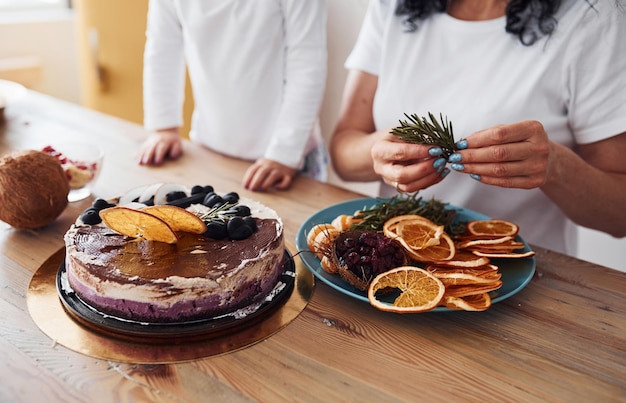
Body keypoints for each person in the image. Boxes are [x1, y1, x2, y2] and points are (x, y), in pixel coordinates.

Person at [330, 0, 626, 255]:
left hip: (524, 278)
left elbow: (619, 216)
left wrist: (555, 167)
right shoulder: (393, 6)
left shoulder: (592, 19)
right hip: (397, 259)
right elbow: (343, 151)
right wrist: (380, 153)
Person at [138, 0, 328, 192]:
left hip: (289, 160)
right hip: (211, 149)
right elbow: (162, 50)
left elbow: (307, 66)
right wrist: (164, 126)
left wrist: (284, 155)